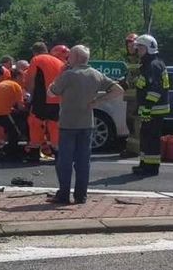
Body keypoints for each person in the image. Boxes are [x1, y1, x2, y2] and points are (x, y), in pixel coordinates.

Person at [47, 45, 125, 204]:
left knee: (65, 161)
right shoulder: (96, 75)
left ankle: (63, 195)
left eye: (69, 56)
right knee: (83, 161)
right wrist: (98, 101)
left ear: (74, 57)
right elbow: (118, 90)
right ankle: (81, 195)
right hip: (87, 123)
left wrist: (52, 85)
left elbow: (51, 92)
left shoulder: (68, 75)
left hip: (68, 123)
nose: (68, 59)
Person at [131, 33, 169, 176]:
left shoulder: (153, 65)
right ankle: (144, 164)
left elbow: (155, 90)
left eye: (140, 48)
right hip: (150, 109)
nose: (137, 51)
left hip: (154, 109)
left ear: (147, 48)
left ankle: (151, 168)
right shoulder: (150, 64)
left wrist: (147, 107)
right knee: (145, 136)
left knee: (151, 138)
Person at [24, 42, 65, 162]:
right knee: (54, 125)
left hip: (42, 98)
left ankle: (34, 153)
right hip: (58, 99)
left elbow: (31, 80)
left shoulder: (36, 59)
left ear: (34, 52)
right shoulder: (59, 62)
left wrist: (29, 96)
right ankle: (58, 153)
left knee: (35, 123)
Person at [0, 64, 25, 159]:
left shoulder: (2, 83)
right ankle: (12, 153)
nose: (23, 80)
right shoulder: (16, 86)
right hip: (3, 113)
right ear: (18, 76)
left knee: (2, 129)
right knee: (15, 131)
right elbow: (20, 107)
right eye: (22, 77)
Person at [121, 33, 141, 158]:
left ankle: (134, 150)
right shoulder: (131, 60)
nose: (130, 47)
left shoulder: (141, 59)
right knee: (130, 122)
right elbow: (131, 75)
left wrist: (128, 82)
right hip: (131, 96)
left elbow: (140, 77)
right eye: (128, 45)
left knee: (135, 123)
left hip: (137, 96)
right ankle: (132, 148)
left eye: (132, 45)